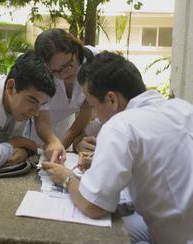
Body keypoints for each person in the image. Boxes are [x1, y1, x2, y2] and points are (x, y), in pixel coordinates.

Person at [42, 51, 193, 243]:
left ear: (112, 99)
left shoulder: (121, 125)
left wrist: (66, 178)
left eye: (93, 105)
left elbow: (93, 206)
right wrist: (101, 161)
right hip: (180, 229)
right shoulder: (182, 108)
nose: (95, 115)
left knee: (91, 235)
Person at [24, 28, 98, 150]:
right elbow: (42, 121)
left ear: (75, 50)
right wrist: (53, 143)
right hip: (41, 134)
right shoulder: (41, 76)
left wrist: (62, 144)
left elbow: (87, 108)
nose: (63, 74)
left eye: (68, 64)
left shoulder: (92, 60)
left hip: (68, 127)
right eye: (55, 71)